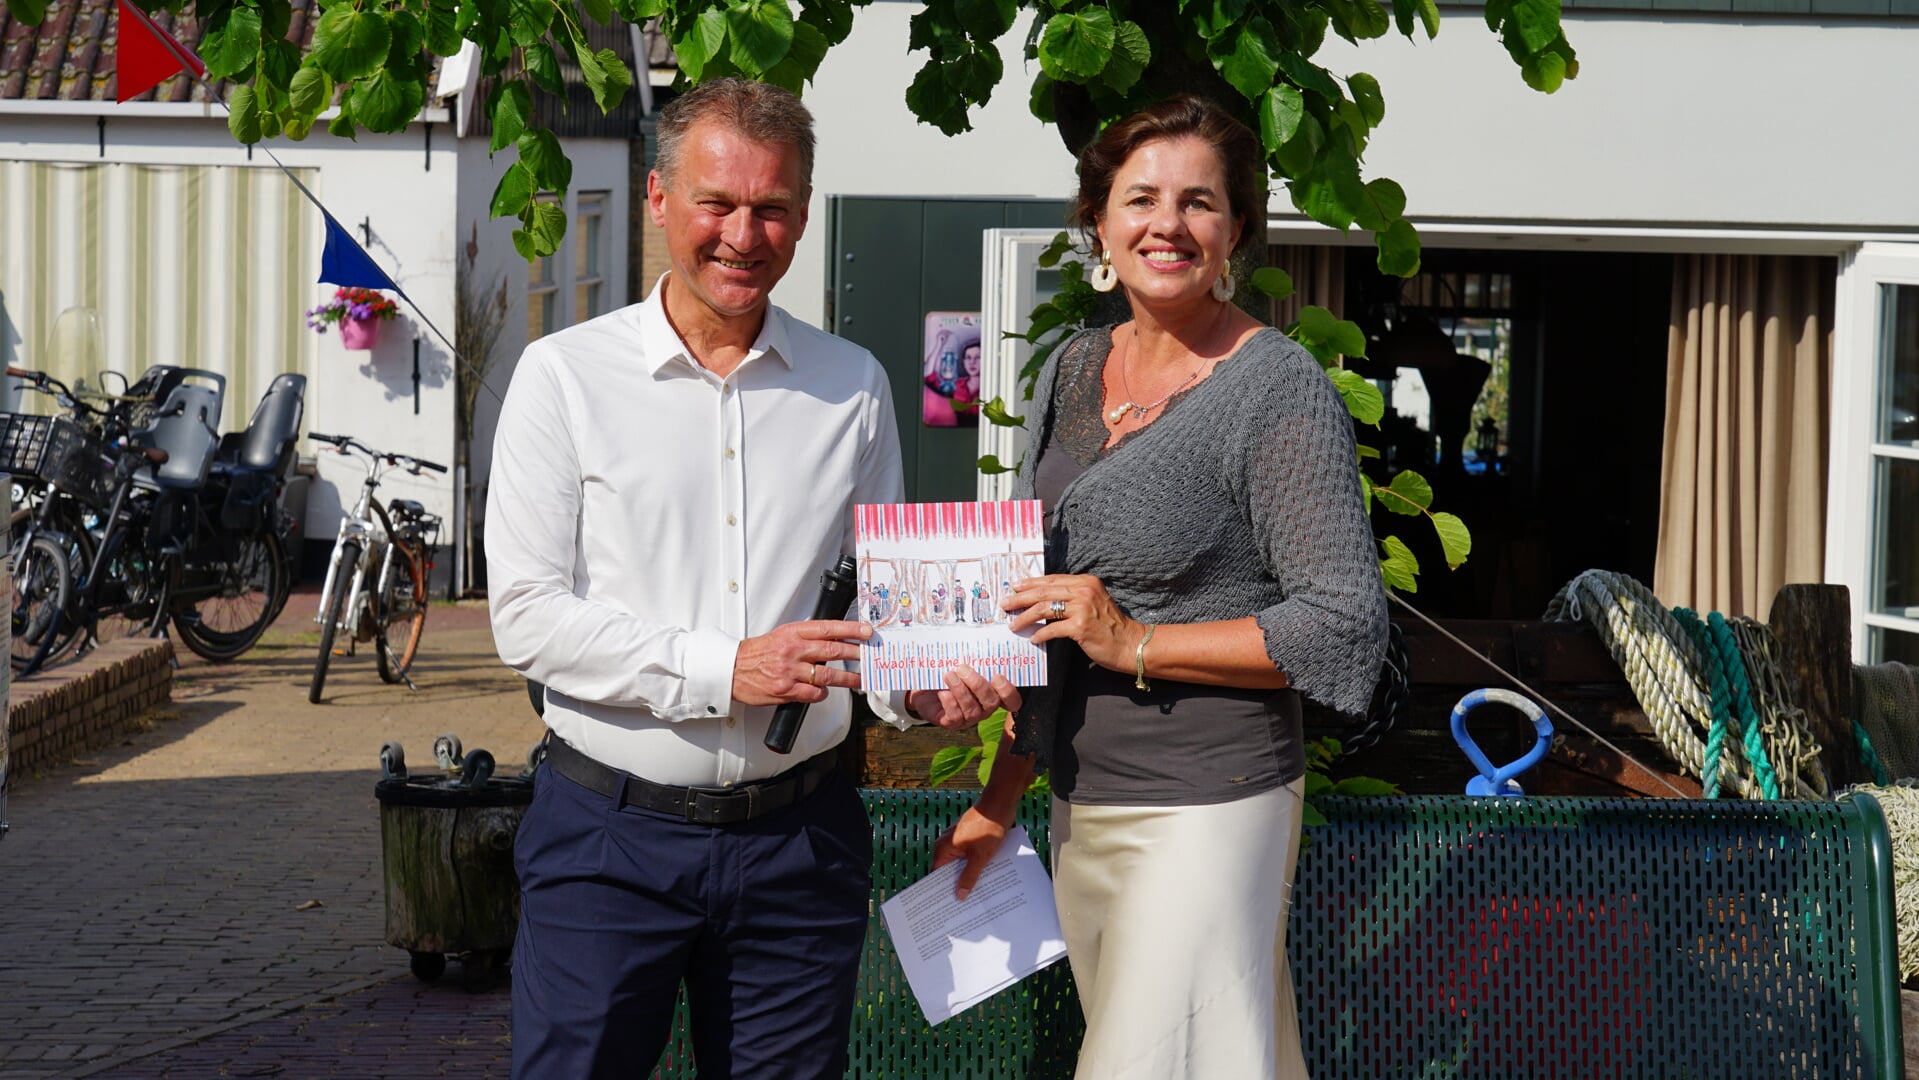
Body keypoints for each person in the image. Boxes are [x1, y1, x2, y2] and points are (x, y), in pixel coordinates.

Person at [487, 77, 1017, 1080]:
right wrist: (723, 666)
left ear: (803, 216)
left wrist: (925, 685)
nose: (742, 233)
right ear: (657, 201)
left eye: (771, 207)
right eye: (716, 203)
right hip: (607, 840)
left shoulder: (850, 384)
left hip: (798, 843)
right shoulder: (562, 378)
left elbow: (877, 621)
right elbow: (523, 617)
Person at [932, 95, 1388, 1080]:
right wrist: (1000, 795)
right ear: (1096, 221)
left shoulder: (1275, 386)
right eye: (1139, 198)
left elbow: (1342, 624)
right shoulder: (1069, 368)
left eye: (1198, 202)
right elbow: (1038, 613)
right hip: (1080, 805)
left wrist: (1133, 640)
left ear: (1233, 232)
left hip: (1208, 808)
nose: (1166, 224)